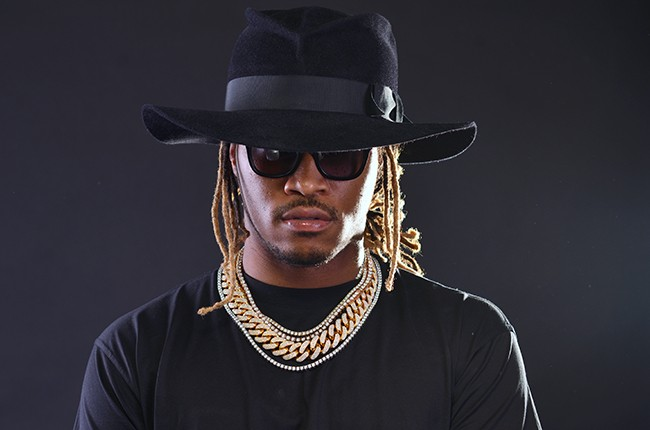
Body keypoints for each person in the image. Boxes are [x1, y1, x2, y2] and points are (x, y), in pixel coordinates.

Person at [74, 6, 542, 429]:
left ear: (383, 167)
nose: (305, 182)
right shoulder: (137, 354)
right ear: (233, 160)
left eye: (339, 155)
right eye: (274, 154)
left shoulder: (470, 343)